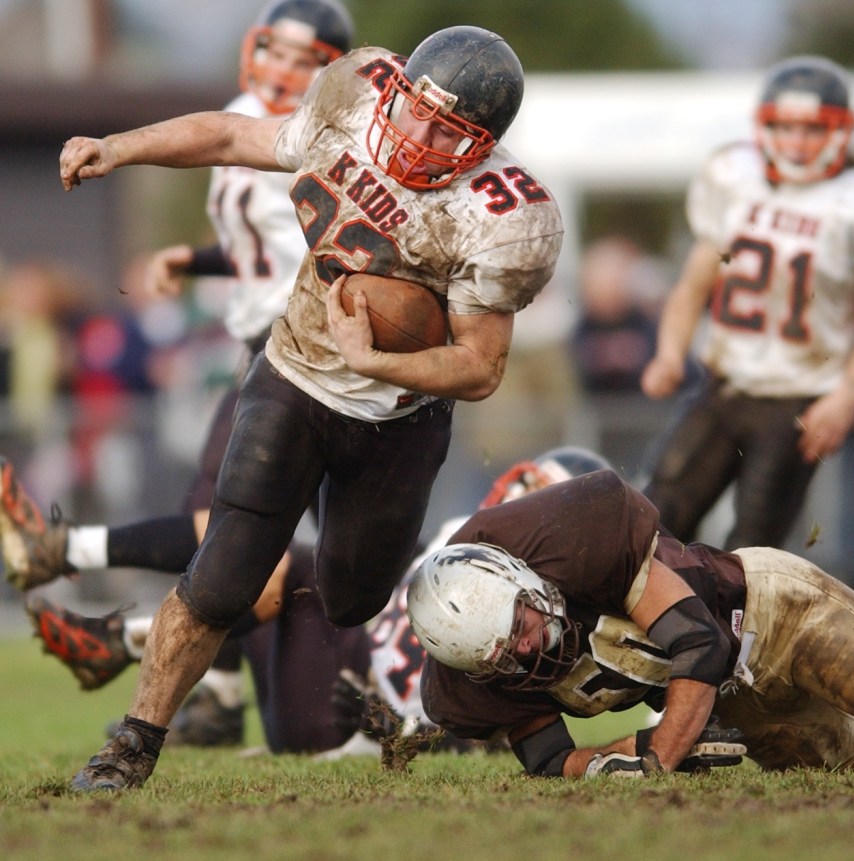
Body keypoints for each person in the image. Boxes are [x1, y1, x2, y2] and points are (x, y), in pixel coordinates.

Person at [55, 24, 563, 791]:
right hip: (291, 376)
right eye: (417, 109)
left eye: (448, 129)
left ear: (483, 145)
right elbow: (231, 132)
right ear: (396, 90)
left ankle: (444, 703)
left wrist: (378, 359)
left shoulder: (503, 215)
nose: (419, 134)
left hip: (398, 421)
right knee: (219, 576)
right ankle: (132, 743)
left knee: (355, 595)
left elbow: (481, 366)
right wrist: (118, 145)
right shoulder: (351, 94)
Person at [1, 0, 358, 747]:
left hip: (300, 354)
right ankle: (219, 690)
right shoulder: (252, 117)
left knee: (253, 536)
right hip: (266, 344)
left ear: (329, 73)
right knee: (242, 534)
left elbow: (316, 251)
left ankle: (86, 581)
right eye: (275, 50)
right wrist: (191, 259)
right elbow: (262, 242)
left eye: (303, 59)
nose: (281, 69)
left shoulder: (321, 143)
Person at [406, 469, 854, 776]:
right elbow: (548, 758)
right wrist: (620, 756)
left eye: (519, 625)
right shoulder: (468, 687)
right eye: (503, 656)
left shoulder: (574, 539)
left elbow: (696, 642)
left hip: (774, 615)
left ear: (521, 579)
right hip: (734, 698)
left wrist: (660, 758)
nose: (528, 649)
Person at [19, 447, 609, 759]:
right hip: (341, 684)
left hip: (348, 709)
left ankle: (104, 606)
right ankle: (83, 566)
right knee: (258, 543)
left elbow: (514, 702)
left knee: (278, 558)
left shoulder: (548, 597)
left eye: (540, 495)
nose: (523, 501)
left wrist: (420, 731)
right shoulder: (478, 536)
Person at [640, 56, 854, 549]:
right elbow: (691, 287)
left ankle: (732, 630)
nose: (796, 142)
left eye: (812, 129)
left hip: (798, 401)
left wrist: (845, 395)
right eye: (784, 127)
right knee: (655, 523)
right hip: (723, 387)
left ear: (841, 131)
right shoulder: (734, 177)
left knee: (753, 546)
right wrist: (669, 353)